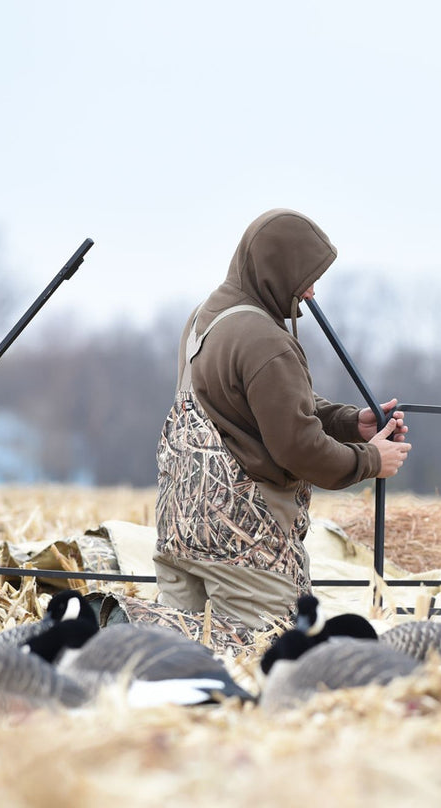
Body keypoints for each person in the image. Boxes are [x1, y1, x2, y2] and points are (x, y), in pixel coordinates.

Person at [154, 208, 411, 629]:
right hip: (244, 543)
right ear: (277, 271)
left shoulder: (206, 317)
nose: (310, 292)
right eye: (304, 277)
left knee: (179, 657)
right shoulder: (265, 340)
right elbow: (298, 448)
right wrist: (371, 459)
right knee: (264, 662)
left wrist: (350, 423)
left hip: (179, 530)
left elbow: (250, 406)